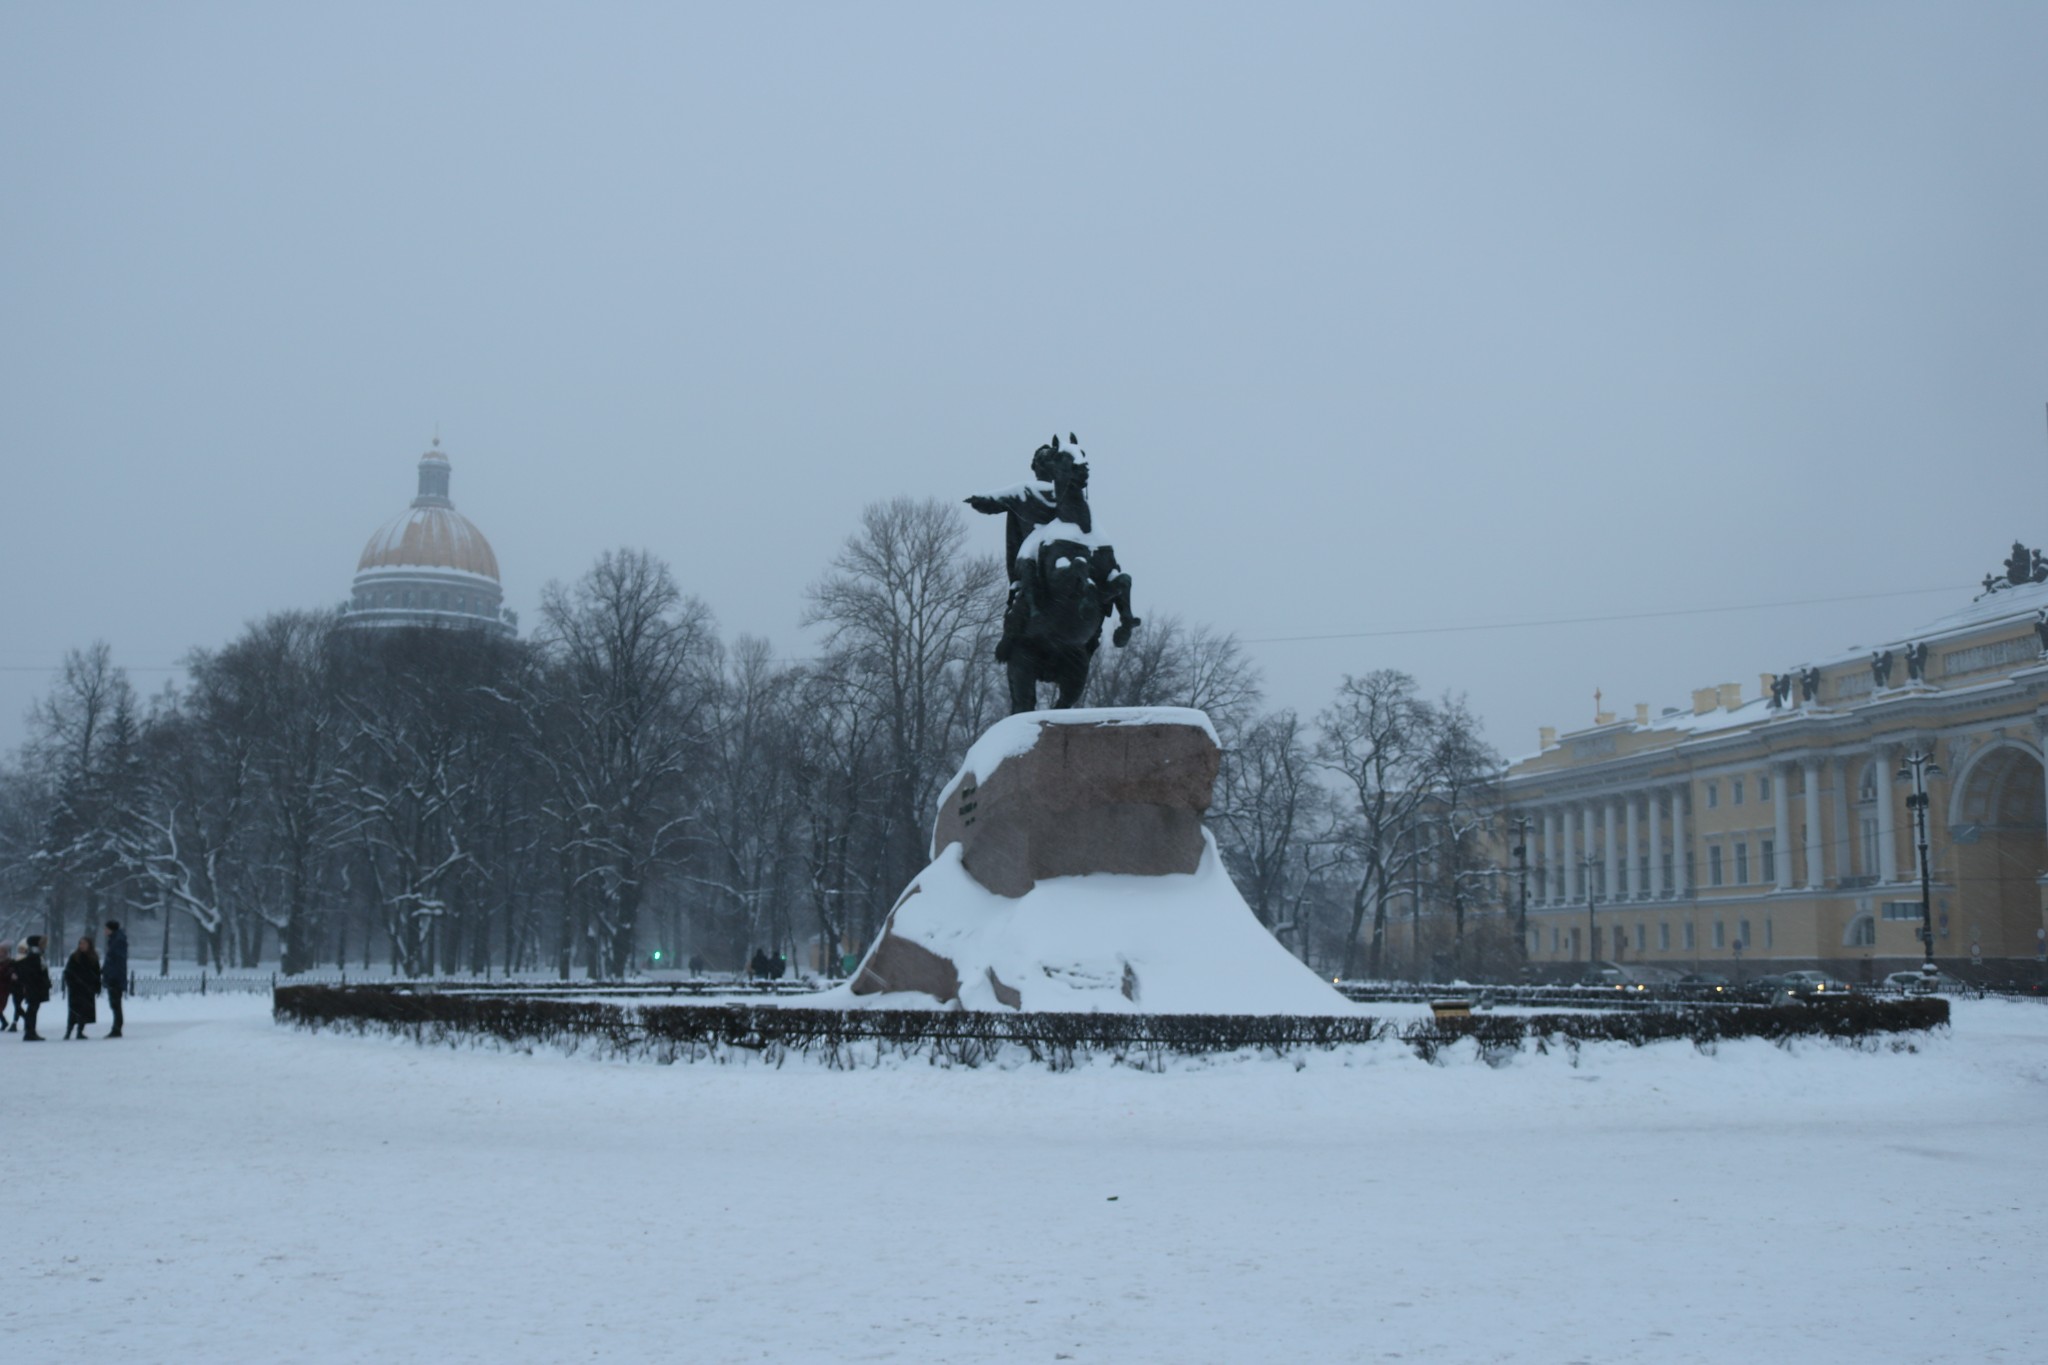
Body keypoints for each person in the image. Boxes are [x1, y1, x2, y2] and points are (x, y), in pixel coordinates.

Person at [62, 935, 100, 1041]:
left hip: (87, 988)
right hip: (76, 989)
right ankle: (69, 1031)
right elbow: (68, 972)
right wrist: (71, 983)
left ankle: (80, 1031)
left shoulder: (93, 957)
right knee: (74, 1010)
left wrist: (97, 986)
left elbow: (97, 973)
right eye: (80, 943)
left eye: (84, 943)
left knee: (84, 1010)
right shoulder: (74, 957)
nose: (81, 945)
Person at [17, 936, 51, 1042]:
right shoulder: (34, 957)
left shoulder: (35, 956)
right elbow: (34, 973)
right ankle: (30, 1031)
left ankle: (31, 1031)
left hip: (35, 987)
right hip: (35, 987)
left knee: (33, 1009)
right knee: (32, 1009)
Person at [102, 919, 128, 1038]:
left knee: (115, 1004)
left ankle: (117, 1028)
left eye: (106, 929)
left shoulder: (117, 941)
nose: (104, 931)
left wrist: (111, 975)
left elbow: (115, 961)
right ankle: (116, 1027)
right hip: (115, 977)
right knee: (115, 1004)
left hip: (115, 978)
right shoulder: (116, 940)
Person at [0, 941, 15, 1032]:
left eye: (2, 951)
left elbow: (8, 974)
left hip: (4, 988)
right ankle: (4, 1021)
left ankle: (4, 1021)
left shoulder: (10, 963)